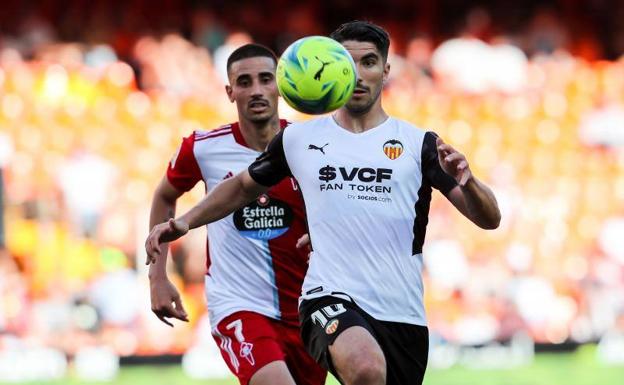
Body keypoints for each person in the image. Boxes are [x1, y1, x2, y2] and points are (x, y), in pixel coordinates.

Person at [146, 22, 501, 385]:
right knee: (364, 368)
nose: (359, 75)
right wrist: (186, 222)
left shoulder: (418, 144)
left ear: (386, 70)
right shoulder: (298, 139)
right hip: (327, 296)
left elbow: (489, 220)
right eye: (348, 64)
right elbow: (241, 188)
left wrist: (470, 184)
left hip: (401, 310)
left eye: (370, 62)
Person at [147, 43, 326, 385]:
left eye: (265, 79)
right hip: (239, 305)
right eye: (244, 82)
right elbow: (164, 196)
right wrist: (157, 277)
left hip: (304, 307)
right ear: (230, 92)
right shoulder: (202, 148)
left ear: (281, 85)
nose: (256, 90)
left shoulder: (310, 146)